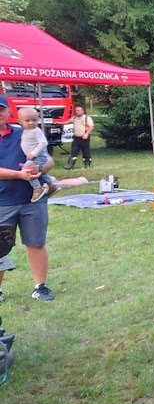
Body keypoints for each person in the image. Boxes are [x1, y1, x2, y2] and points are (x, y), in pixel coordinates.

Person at [0, 94, 55, 302]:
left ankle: (40, 287)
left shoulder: (25, 131)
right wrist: (19, 174)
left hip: (33, 199)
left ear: (9, 111)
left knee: (36, 243)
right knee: (0, 246)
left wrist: (38, 168)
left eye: (1, 109)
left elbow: (49, 160)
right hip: (3, 201)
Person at [17, 108, 61, 202]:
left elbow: (44, 143)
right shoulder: (25, 131)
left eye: (34, 120)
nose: (31, 123)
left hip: (38, 155)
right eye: (27, 120)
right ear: (20, 122)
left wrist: (34, 153)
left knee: (28, 170)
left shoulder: (36, 131)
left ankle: (37, 188)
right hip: (34, 156)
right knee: (41, 172)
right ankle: (52, 186)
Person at [65, 105, 94, 170]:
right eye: (76, 110)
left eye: (79, 110)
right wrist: (57, 122)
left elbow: (91, 126)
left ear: (82, 111)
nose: (77, 112)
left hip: (84, 138)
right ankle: (70, 165)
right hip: (76, 138)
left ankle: (87, 165)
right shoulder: (74, 118)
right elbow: (67, 122)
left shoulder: (87, 118)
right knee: (74, 151)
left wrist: (86, 134)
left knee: (86, 152)